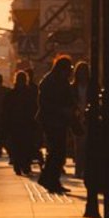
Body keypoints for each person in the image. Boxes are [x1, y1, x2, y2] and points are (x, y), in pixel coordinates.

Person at [36, 53, 75, 194]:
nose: (70, 72)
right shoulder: (54, 82)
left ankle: (50, 179)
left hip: (56, 120)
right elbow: (47, 103)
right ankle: (50, 179)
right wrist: (62, 110)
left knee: (56, 152)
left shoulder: (55, 80)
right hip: (54, 121)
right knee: (57, 152)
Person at [3, 68, 38, 175]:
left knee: (17, 146)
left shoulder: (11, 94)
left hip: (15, 124)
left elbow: (6, 110)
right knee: (26, 145)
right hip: (26, 123)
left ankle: (18, 165)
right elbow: (34, 108)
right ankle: (25, 165)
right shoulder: (29, 93)